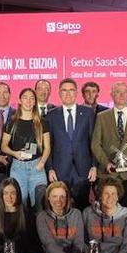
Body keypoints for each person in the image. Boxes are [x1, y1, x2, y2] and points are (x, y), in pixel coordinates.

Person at [91, 81, 127, 209]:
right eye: (118, 92)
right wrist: (106, 163)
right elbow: (95, 144)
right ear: (112, 95)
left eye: (124, 92)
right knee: (106, 210)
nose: (121, 95)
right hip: (108, 173)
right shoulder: (101, 117)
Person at [46, 78, 97, 209]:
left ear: (76, 93)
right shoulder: (51, 116)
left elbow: (94, 141)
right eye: (64, 90)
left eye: (71, 90)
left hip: (83, 169)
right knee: (61, 207)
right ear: (59, 93)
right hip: (60, 170)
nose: (68, 94)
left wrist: (94, 166)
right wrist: (50, 168)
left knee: (83, 207)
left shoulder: (87, 113)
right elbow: (48, 145)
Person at [1, 88, 50, 211]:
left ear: (35, 102)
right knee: (18, 205)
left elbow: (47, 147)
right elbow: (4, 146)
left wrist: (42, 163)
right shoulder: (12, 122)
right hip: (18, 168)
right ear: (19, 100)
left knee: (40, 205)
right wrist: (14, 153)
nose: (28, 101)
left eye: (31, 98)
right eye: (25, 98)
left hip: (37, 167)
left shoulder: (42, 122)